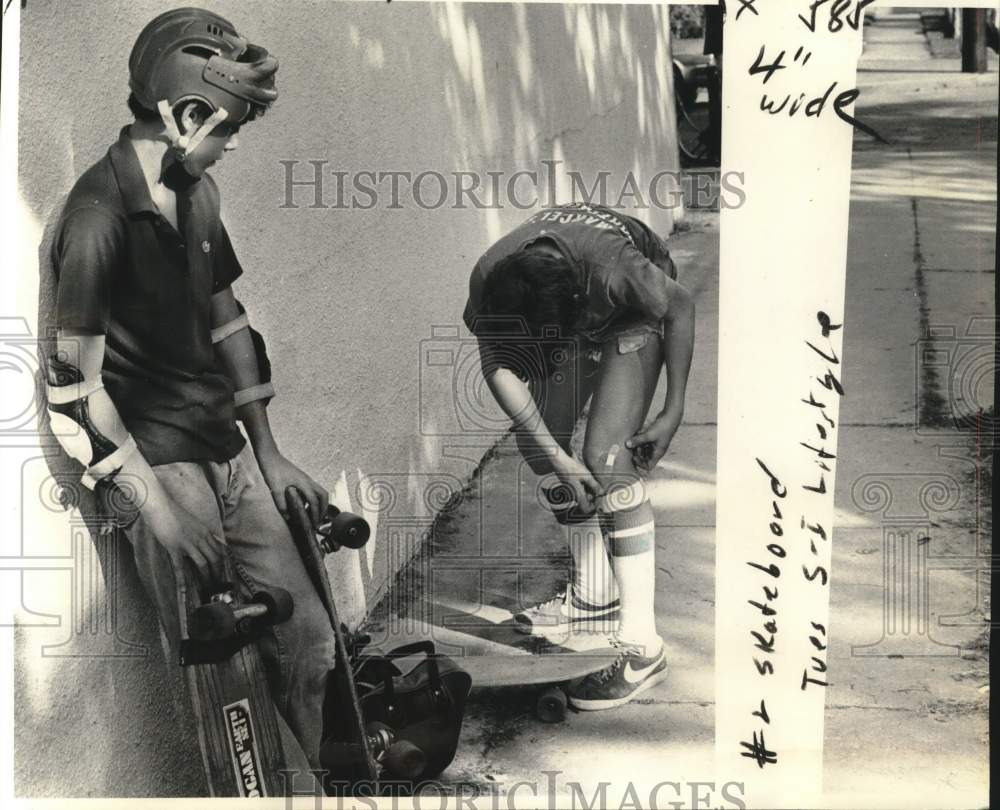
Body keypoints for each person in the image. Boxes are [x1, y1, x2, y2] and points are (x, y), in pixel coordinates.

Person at [45, 8, 335, 776]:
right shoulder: (97, 216)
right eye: (227, 125)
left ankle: (320, 782)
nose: (233, 142)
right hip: (156, 465)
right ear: (183, 111)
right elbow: (72, 393)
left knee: (309, 639)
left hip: (227, 450)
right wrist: (157, 511)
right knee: (225, 683)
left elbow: (228, 321)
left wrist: (270, 454)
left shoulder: (196, 192)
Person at [463, 202, 694, 710]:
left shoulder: (619, 273)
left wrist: (672, 410)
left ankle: (642, 645)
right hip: (567, 299)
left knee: (608, 461)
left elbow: (679, 308)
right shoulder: (491, 282)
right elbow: (499, 368)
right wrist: (554, 454)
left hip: (630, 313)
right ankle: (593, 598)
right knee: (539, 444)